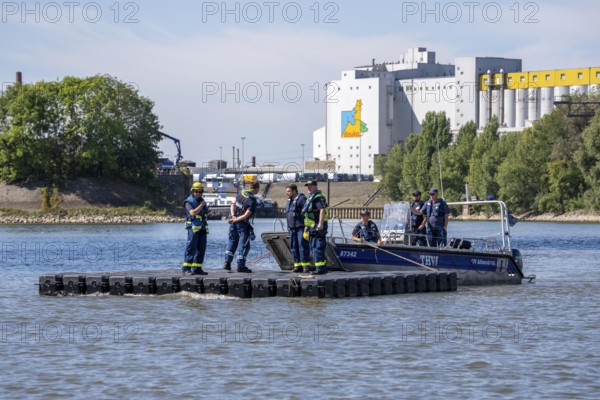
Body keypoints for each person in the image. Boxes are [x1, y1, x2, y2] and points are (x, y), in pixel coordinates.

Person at [224, 181, 260, 273]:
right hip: (242, 224)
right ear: (256, 189)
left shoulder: (241, 194)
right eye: (258, 189)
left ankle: (227, 263)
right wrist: (236, 220)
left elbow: (232, 205)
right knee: (244, 245)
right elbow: (245, 216)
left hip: (233, 222)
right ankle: (241, 265)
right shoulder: (252, 201)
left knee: (232, 241)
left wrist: (232, 217)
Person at [302, 180, 328, 275]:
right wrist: (306, 228)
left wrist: (320, 223)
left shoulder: (317, 198)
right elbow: (309, 216)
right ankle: (322, 268)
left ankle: (320, 269)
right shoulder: (311, 198)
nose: (308, 188)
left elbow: (322, 210)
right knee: (313, 247)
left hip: (318, 226)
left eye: (310, 186)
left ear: (315, 186)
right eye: (307, 186)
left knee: (317, 247)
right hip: (313, 226)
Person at [182, 182, 208, 275]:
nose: (197, 193)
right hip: (193, 228)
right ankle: (186, 268)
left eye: (199, 191)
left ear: (202, 192)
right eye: (195, 191)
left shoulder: (202, 201)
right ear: (192, 191)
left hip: (202, 228)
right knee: (191, 247)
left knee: (201, 248)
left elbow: (204, 213)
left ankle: (197, 268)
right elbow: (192, 213)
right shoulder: (188, 202)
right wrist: (201, 205)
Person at [285, 183, 310, 273]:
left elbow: (308, 212)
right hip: (292, 228)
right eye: (287, 191)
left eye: (289, 191)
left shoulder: (301, 199)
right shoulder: (289, 200)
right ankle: (297, 265)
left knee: (302, 245)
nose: (287, 193)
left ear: (294, 191)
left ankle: (305, 266)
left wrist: (307, 226)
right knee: (293, 246)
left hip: (300, 227)